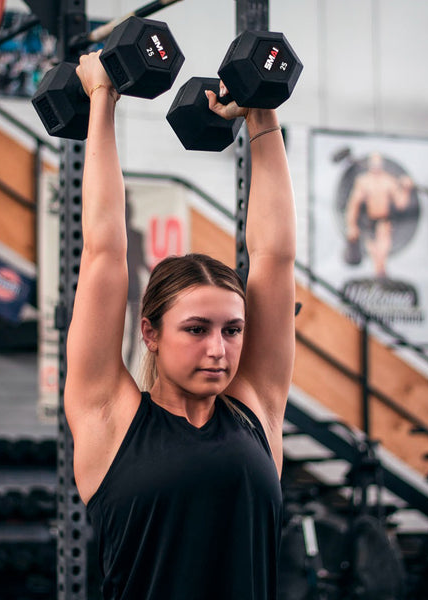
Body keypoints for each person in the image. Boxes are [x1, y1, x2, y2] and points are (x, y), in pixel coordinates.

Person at [64, 50, 296, 600]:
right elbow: (102, 251)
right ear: (150, 332)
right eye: (195, 329)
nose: (219, 348)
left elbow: (274, 257)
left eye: (232, 330)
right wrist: (102, 100)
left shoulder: (256, 410)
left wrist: (260, 113)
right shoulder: (108, 418)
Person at [344, 151, 414, 277]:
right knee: (374, 254)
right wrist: (351, 225)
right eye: (373, 164)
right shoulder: (364, 181)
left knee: (381, 255)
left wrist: (406, 189)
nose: (376, 167)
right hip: (369, 222)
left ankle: (381, 276)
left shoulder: (389, 181)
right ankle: (378, 277)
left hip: (384, 222)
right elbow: (353, 205)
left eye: (378, 164)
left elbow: (401, 204)